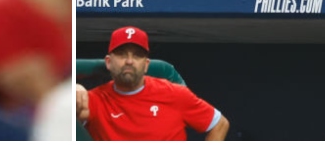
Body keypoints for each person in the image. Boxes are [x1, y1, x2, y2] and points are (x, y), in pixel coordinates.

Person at [76, 26, 229, 141]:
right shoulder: (93, 100)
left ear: (146, 64)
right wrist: (73, 90)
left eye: (137, 55)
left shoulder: (175, 94)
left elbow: (219, 124)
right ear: (108, 62)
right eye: (122, 54)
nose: (129, 61)